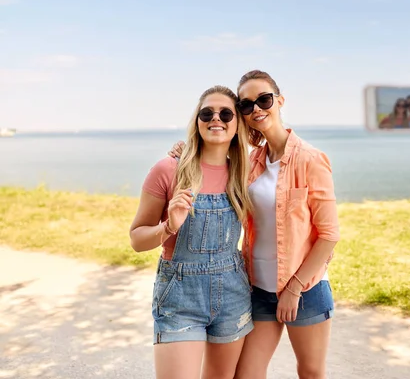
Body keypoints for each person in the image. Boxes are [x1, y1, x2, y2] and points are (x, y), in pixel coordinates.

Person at [169, 70, 340, 379]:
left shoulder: (311, 159)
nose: (257, 109)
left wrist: (294, 289)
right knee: (246, 374)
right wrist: (186, 154)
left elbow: (329, 235)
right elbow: (215, 166)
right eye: (247, 105)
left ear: (279, 101)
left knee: (311, 372)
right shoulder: (251, 162)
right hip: (258, 287)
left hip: (305, 288)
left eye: (264, 99)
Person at [129, 85, 254, 379]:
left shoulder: (244, 172)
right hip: (180, 296)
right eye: (206, 113)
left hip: (233, 293)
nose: (216, 119)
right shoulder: (168, 170)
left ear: (237, 125)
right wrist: (169, 225)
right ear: (196, 123)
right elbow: (136, 239)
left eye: (226, 113)